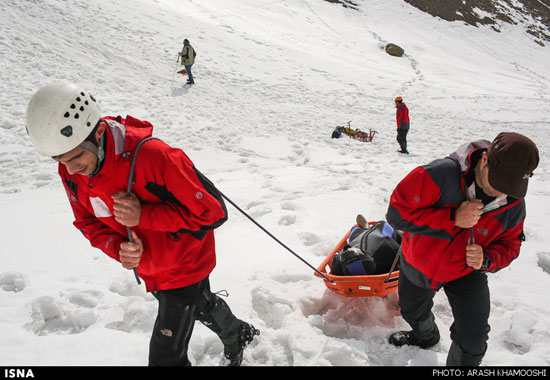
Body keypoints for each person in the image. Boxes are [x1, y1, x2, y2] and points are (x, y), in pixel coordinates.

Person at [25, 82, 259, 366]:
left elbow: (213, 213)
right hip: (152, 267)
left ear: (98, 132)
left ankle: (237, 333)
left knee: (165, 356)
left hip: (185, 264)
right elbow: (86, 222)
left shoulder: (155, 156)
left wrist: (144, 215)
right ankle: (238, 332)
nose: (71, 169)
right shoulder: (72, 171)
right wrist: (118, 248)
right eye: (60, 160)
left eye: (75, 157)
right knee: (199, 304)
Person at [385, 132, 539, 366]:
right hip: (420, 260)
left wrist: (487, 260)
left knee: (474, 337)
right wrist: (452, 218)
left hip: (467, 271)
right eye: (498, 183)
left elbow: (511, 244)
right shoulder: (440, 174)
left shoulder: (514, 201)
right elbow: (397, 214)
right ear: (485, 160)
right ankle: (425, 337)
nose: (502, 192)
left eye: (510, 186)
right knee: (412, 311)